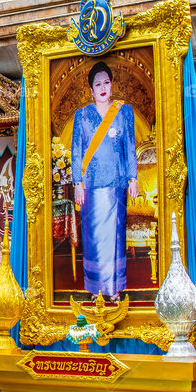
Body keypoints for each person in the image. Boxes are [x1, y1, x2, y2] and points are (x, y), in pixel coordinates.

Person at [71, 61, 138, 301]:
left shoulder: (123, 111)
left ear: (112, 85)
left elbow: (129, 146)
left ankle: (115, 288)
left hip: (117, 183)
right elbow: (76, 151)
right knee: (94, 238)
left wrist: (133, 178)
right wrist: (77, 183)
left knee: (115, 236)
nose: (102, 88)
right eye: (97, 84)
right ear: (91, 90)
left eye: (106, 83)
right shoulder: (82, 115)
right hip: (91, 185)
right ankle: (96, 288)